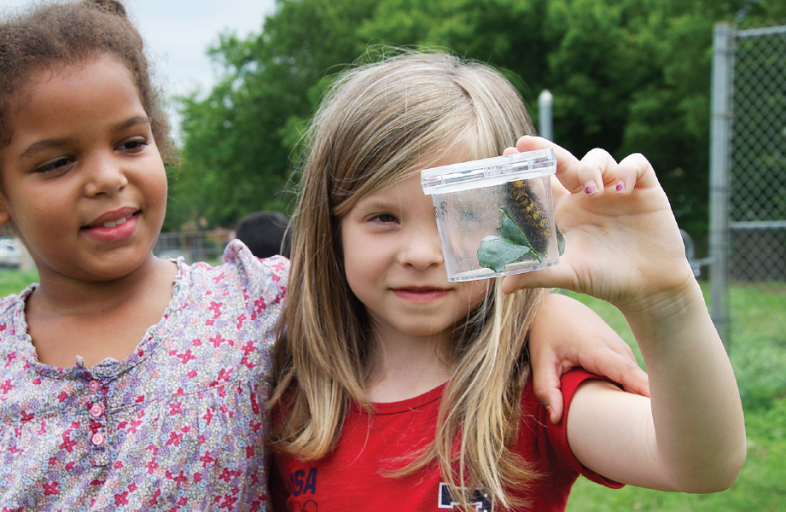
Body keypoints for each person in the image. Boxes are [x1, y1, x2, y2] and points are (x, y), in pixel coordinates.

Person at [0, 4, 648, 509]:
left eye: (130, 141)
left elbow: (393, 280)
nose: (106, 178)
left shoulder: (251, 301)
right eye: (56, 162)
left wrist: (540, 301)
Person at [269, 51, 746, 511]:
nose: (420, 254)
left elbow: (701, 465)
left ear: (517, 220)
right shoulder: (283, 393)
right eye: (382, 217)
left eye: (463, 213)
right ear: (331, 230)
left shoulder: (537, 389)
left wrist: (665, 301)